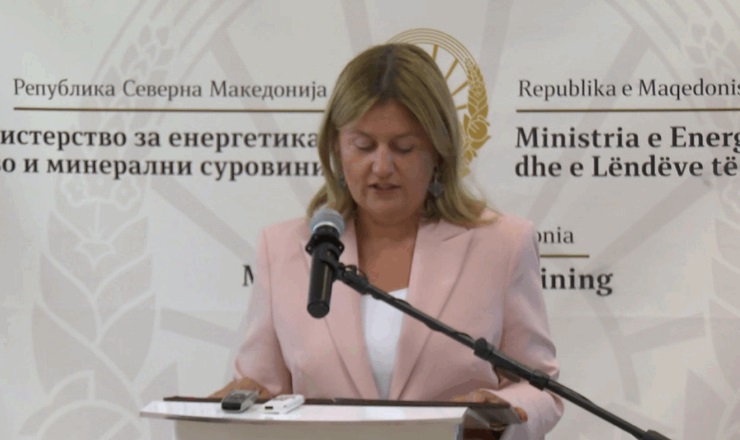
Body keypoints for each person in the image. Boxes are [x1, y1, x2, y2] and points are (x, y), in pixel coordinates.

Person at [213, 43, 563, 439]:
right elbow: (261, 388)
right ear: (336, 147)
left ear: (439, 150)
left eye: (404, 147)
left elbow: (540, 388)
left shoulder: (502, 244)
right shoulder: (281, 248)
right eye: (363, 146)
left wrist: (500, 414)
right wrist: (241, 401)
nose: (382, 167)